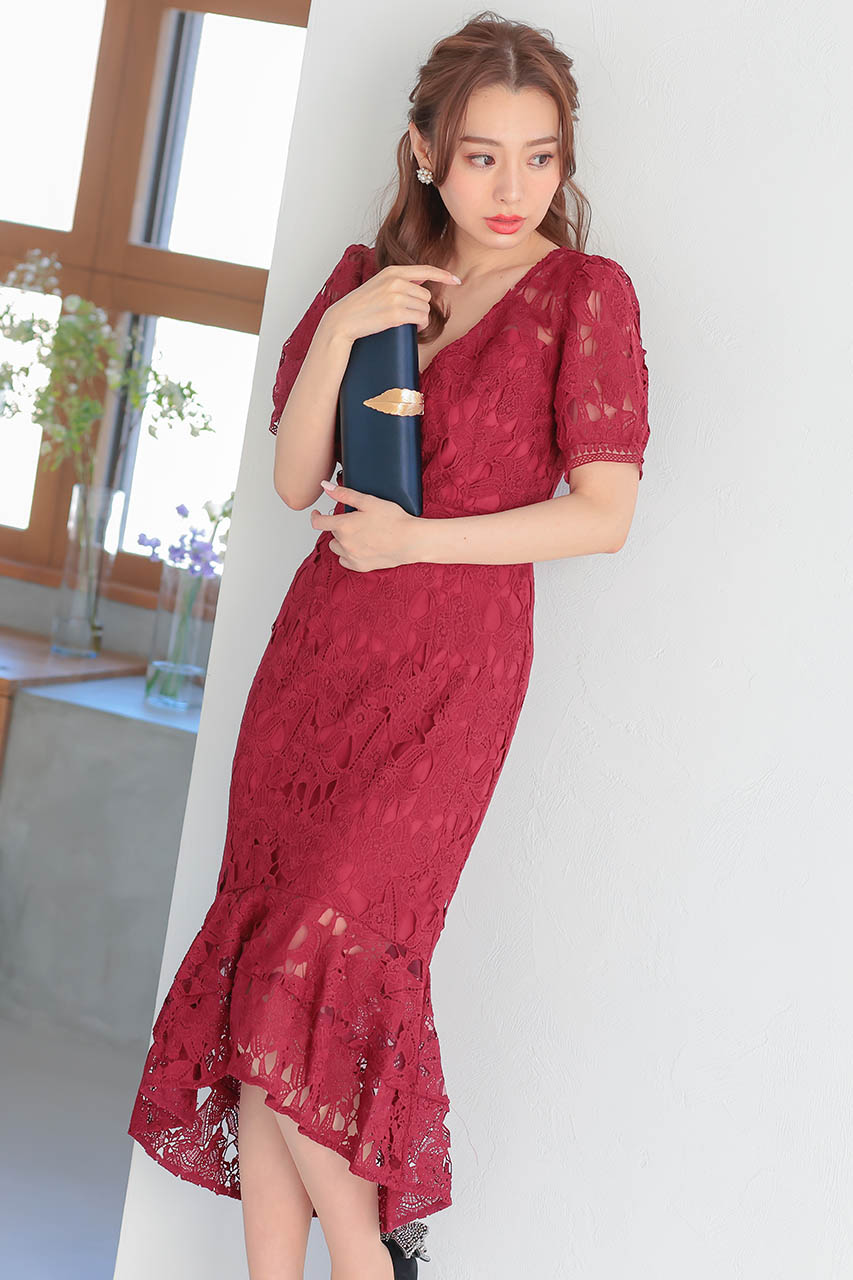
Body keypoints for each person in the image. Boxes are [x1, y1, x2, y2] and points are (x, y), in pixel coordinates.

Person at [127, 11, 650, 1280]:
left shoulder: (584, 296)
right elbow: (295, 475)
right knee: (266, 976)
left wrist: (419, 542)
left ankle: (372, 1260)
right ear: (424, 152)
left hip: (450, 677)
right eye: (482, 157)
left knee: (316, 956)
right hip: (319, 661)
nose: (514, 187)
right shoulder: (372, 280)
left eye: (539, 157)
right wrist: (349, 319)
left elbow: (603, 515)